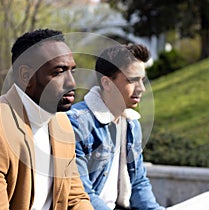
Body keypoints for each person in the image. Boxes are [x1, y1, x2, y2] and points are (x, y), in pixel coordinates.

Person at [0, 29, 93, 210]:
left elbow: (75, 199)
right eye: (59, 72)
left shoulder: (62, 124)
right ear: (26, 76)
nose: (71, 83)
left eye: (72, 72)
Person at [67, 44, 165, 210]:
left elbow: (138, 183)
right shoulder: (77, 123)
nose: (141, 88)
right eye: (133, 80)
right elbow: (82, 194)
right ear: (106, 83)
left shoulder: (132, 125)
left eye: (142, 80)